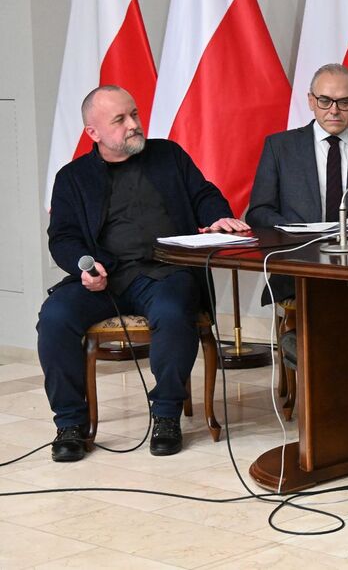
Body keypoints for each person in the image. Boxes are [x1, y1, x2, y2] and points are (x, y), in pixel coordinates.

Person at [38, 85, 247, 462]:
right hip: (104, 278)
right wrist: (84, 265)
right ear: (94, 133)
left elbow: (203, 194)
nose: (134, 124)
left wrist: (217, 214)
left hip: (164, 272)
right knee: (54, 317)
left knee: (171, 311)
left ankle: (166, 415)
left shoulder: (167, 155)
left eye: (134, 114)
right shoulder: (73, 177)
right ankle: (69, 423)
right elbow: (63, 237)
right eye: (120, 119)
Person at [247, 63, 348, 303]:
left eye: (344, 102)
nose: (334, 110)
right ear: (311, 101)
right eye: (325, 101)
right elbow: (259, 212)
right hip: (297, 264)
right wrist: (298, 231)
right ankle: (294, 337)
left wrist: (339, 229)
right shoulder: (279, 147)